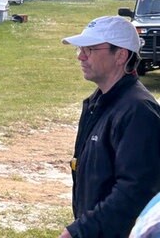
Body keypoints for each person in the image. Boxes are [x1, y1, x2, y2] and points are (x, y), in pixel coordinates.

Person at [59, 15, 160, 238]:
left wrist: (81, 231)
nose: (81, 56)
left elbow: (135, 191)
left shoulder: (138, 111)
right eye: (80, 49)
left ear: (121, 55)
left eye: (91, 49)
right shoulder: (98, 102)